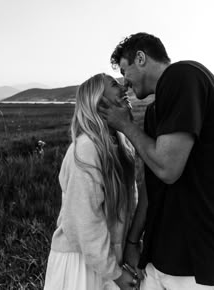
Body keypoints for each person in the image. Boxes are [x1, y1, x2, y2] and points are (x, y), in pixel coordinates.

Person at [99, 32, 214, 290]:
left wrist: (125, 125)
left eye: (124, 71)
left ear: (141, 58)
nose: (124, 84)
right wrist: (133, 242)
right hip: (160, 260)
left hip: (200, 266)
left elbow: (167, 168)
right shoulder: (154, 111)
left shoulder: (184, 75)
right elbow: (154, 183)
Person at [44, 73, 141, 290]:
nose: (124, 88)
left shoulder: (121, 146)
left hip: (103, 260)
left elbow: (127, 209)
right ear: (99, 101)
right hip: (80, 264)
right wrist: (114, 273)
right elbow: (84, 221)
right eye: (115, 85)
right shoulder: (86, 148)